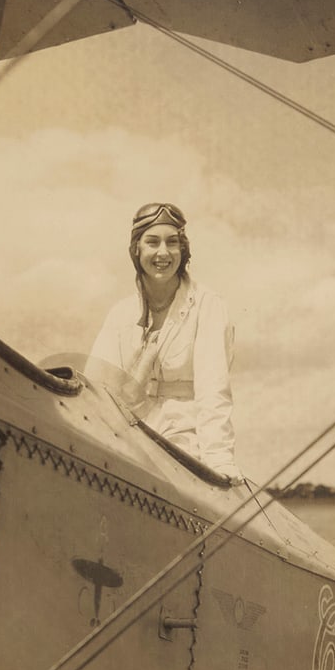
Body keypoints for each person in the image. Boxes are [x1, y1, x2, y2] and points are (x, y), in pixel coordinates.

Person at [89, 202, 243, 484]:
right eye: (152, 242)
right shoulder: (120, 314)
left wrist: (219, 461)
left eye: (172, 242)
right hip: (128, 434)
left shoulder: (208, 307)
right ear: (137, 249)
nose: (163, 252)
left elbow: (213, 393)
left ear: (183, 250)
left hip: (187, 440)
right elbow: (97, 390)